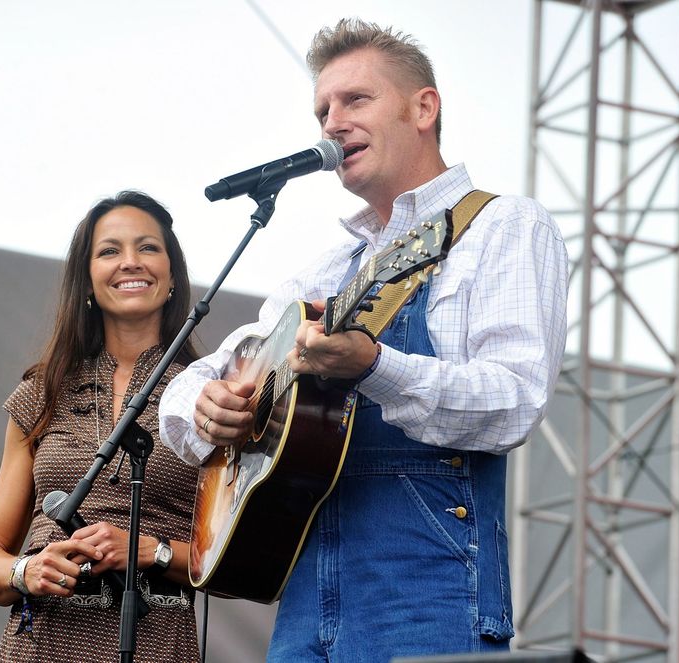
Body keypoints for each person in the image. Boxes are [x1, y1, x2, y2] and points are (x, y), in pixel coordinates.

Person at [158, 18, 569, 662]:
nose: (331, 122)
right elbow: (190, 382)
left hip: (430, 595)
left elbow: (513, 401)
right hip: (302, 606)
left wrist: (376, 366)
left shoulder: (501, 226)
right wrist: (210, 408)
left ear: (423, 107)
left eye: (356, 100)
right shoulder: (323, 273)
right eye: (322, 109)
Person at [0, 191, 202, 662]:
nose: (130, 262)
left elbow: (242, 568)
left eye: (149, 248)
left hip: (155, 646)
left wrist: (148, 549)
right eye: (110, 251)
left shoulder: (210, 394)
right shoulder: (42, 392)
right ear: (88, 280)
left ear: (173, 275)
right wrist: (27, 571)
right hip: (39, 645)